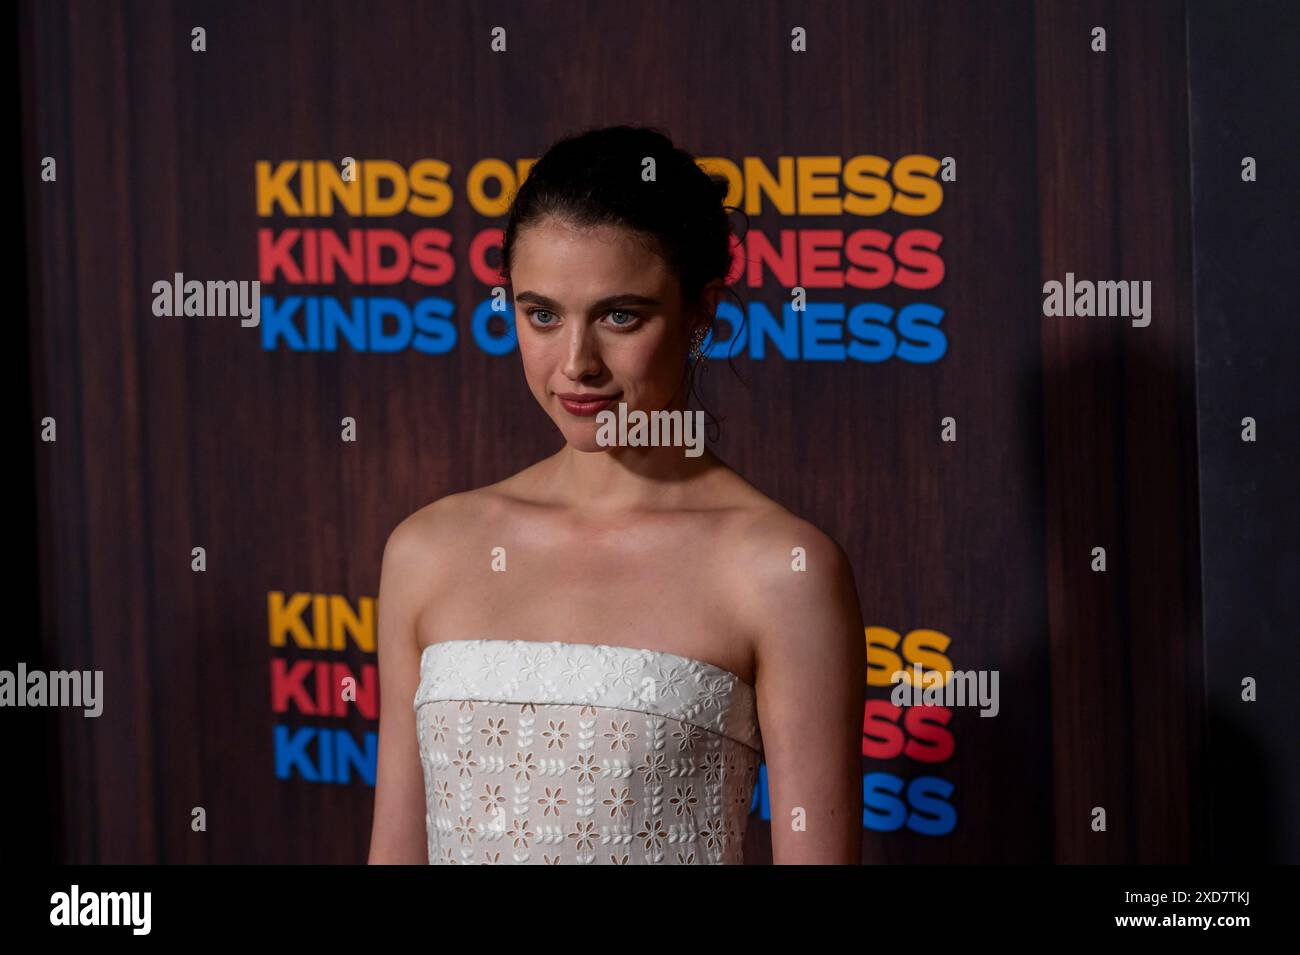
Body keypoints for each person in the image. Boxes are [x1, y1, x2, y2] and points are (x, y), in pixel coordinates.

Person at [367, 125, 865, 864]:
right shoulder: (427, 549)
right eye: (542, 314)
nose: (576, 364)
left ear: (701, 312)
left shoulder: (780, 569)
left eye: (619, 315)